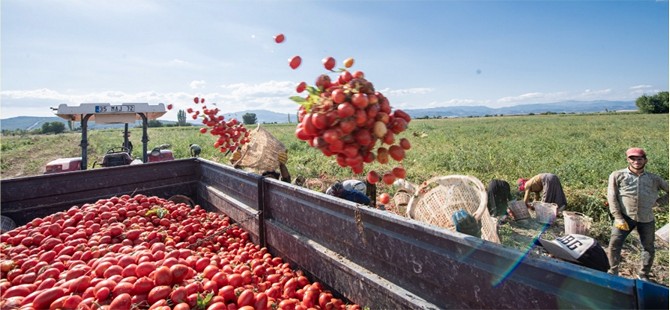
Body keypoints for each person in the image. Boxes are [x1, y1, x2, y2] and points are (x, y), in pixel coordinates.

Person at [606, 147, 668, 280]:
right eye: (632, 159)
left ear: (645, 160)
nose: (636, 162)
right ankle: (613, 272)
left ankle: (643, 274)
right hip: (624, 217)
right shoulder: (618, 175)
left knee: (649, 247)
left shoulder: (654, 178)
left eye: (640, 159)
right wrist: (618, 217)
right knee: (614, 245)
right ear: (628, 160)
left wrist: (659, 203)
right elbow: (612, 196)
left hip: (646, 218)